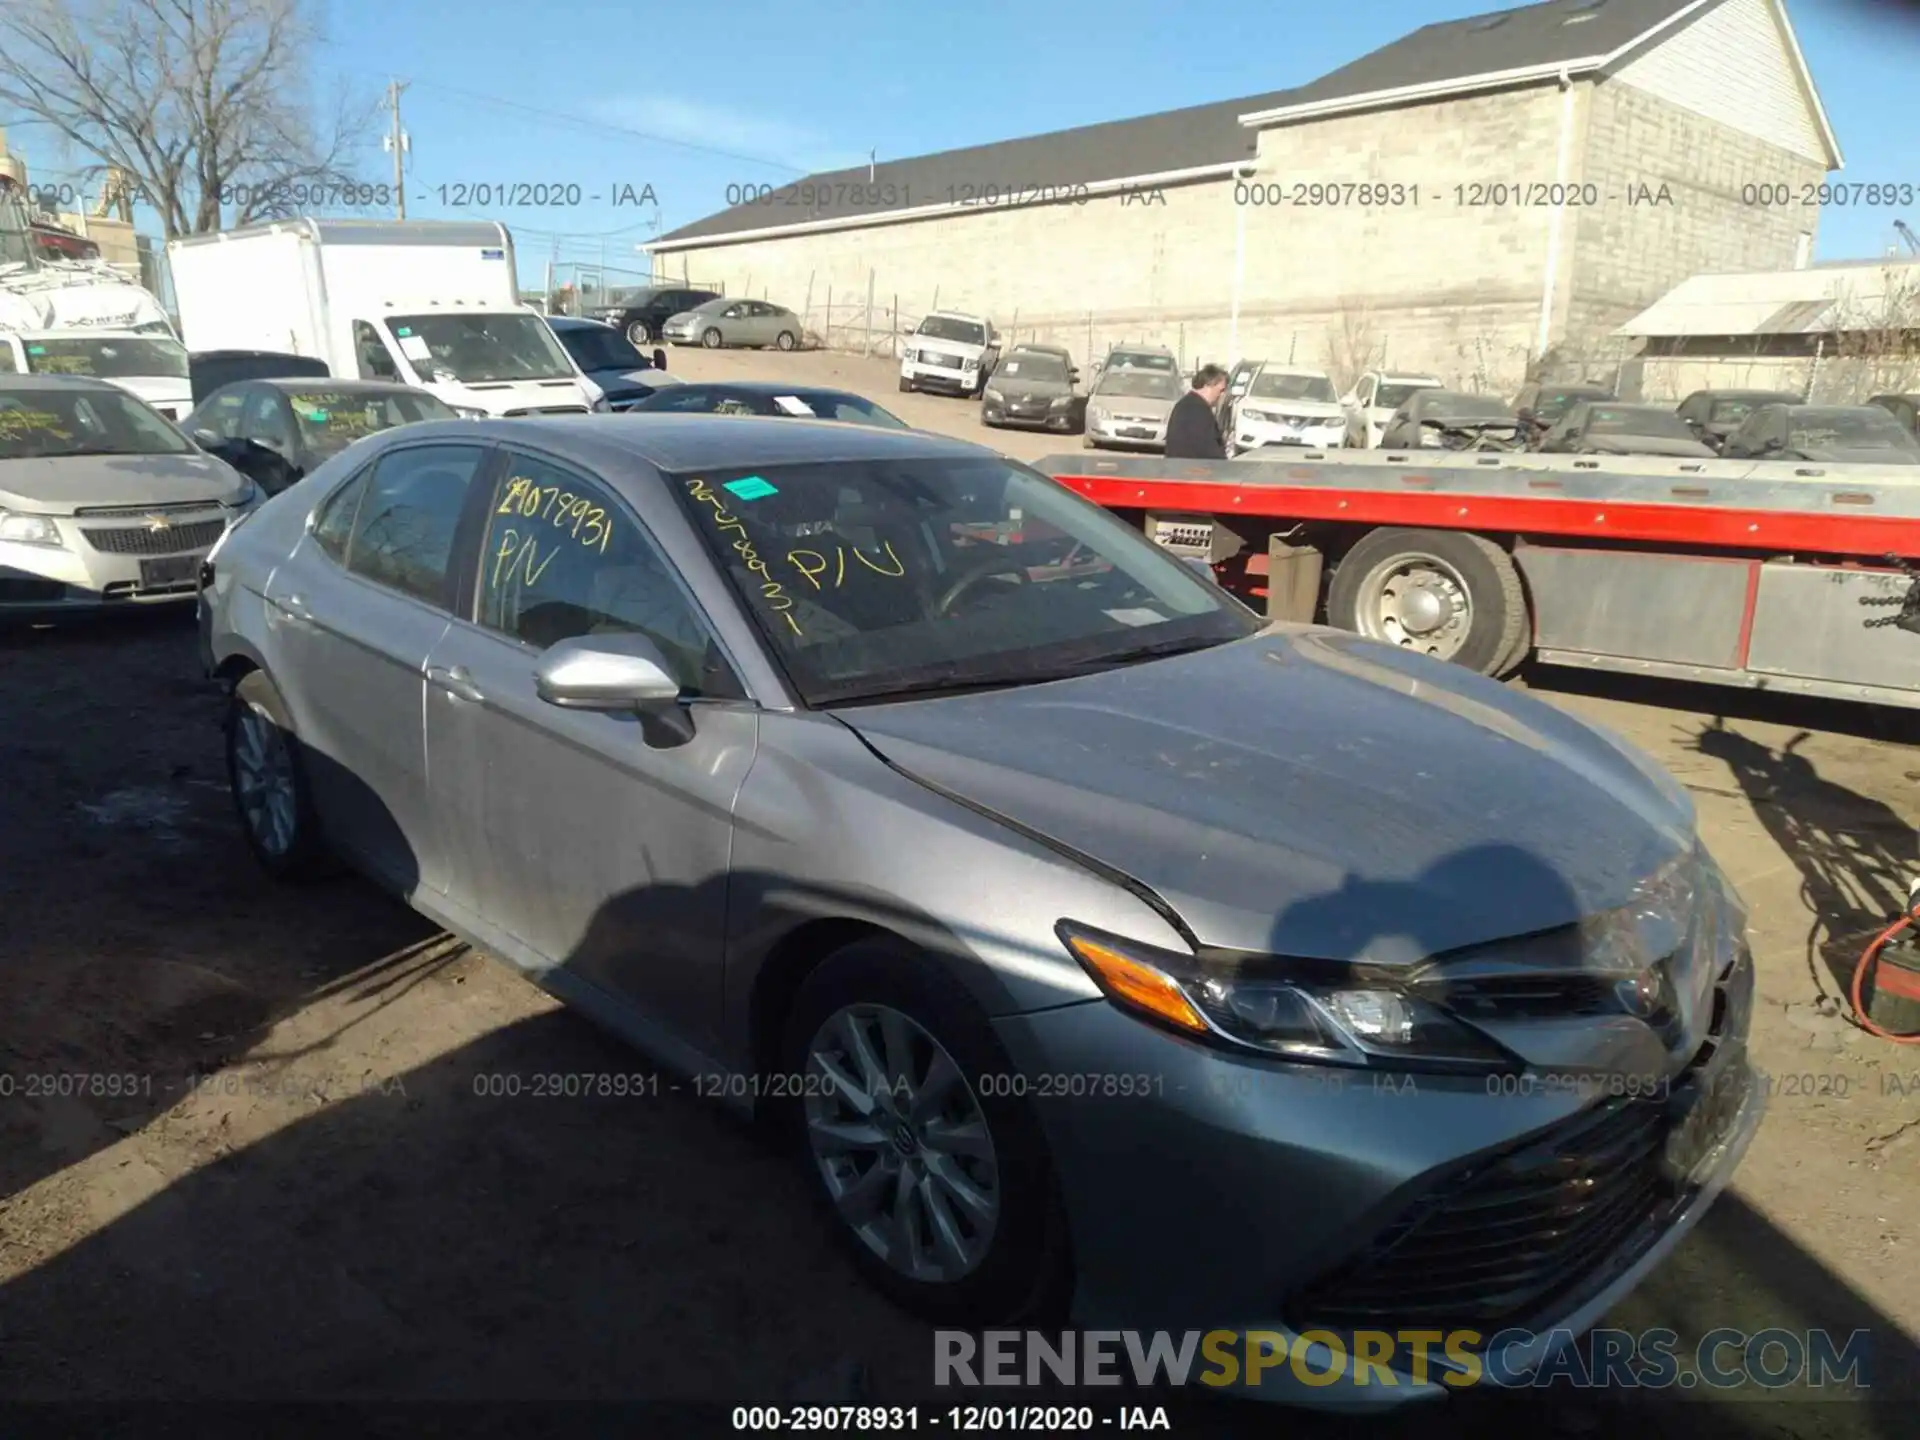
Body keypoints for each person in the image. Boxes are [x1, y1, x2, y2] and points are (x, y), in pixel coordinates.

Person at [1165, 364, 1229, 459]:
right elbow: (1208, 448)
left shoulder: (1186, 404)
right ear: (1210, 384)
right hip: (1192, 470)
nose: (1223, 395)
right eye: (1221, 390)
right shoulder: (1198, 411)